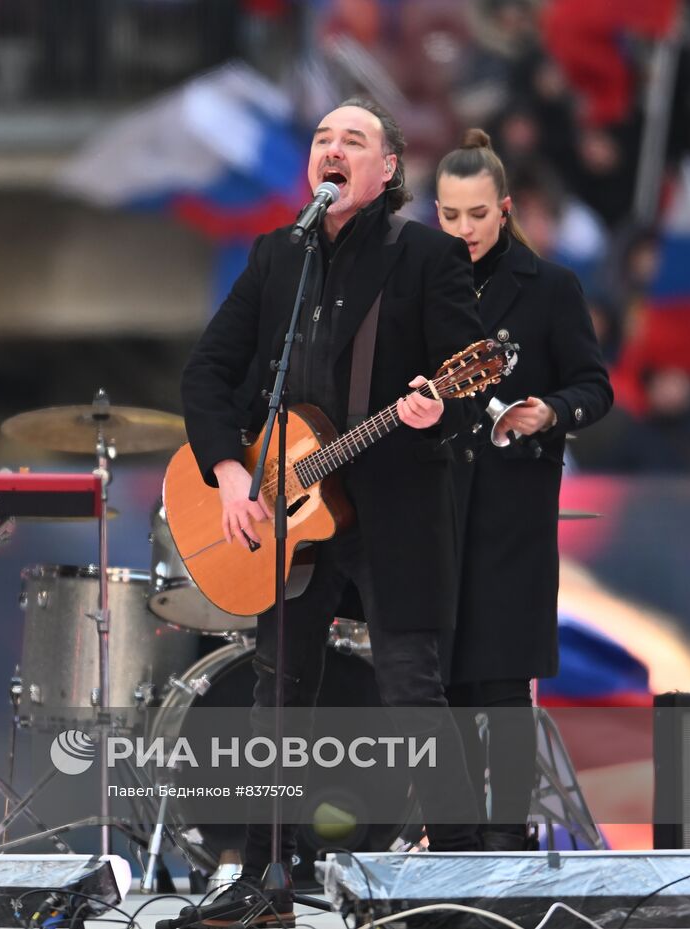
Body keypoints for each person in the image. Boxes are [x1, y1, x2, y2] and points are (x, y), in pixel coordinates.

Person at [180, 97, 487, 925]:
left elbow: (466, 381)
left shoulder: (425, 255)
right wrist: (230, 473)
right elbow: (208, 371)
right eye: (322, 138)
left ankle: (463, 874)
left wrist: (439, 406)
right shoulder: (277, 255)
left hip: (393, 504)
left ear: (387, 169)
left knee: (412, 688)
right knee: (276, 694)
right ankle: (265, 876)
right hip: (288, 510)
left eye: (354, 139)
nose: (333, 148)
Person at [436, 129, 614, 850]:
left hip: (513, 509)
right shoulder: (421, 284)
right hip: (436, 509)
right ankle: (449, 840)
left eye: (478, 214)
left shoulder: (552, 287)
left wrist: (549, 411)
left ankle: (506, 838)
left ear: (505, 209)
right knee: (441, 686)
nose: (465, 229)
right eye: (451, 215)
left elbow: (594, 386)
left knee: (505, 684)